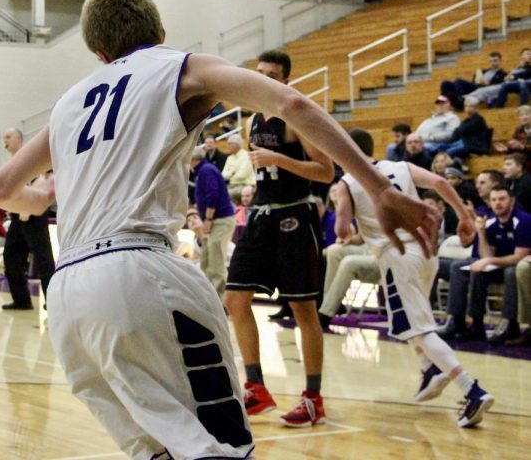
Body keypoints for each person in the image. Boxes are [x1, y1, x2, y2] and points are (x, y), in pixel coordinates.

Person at [0, 0, 437, 457]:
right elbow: (293, 105)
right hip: (139, 271)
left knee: (162, 450)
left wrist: (55, 194)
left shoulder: (68, 104)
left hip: (68, 294)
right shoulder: (180, 66)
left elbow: (1, 191)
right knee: (220, 446)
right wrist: (380, 188)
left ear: (97, 52)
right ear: (160, 30)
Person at [334, 128, 493, 428]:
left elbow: (343, 230)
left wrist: (348, 229)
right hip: (426, 252)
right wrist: (464, 217)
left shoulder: (346, 182)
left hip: (398, 255)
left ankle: (472, 389)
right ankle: (429, 369)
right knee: (408, 322)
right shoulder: (400, 166)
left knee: (418, 328)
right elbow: (440, 182)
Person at [225, 50, 338, 427]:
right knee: (235, 299)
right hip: (262, 215)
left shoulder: (296, 117)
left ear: (285, 80)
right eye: (260, 73)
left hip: (295, 216)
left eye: (272, 74)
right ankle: (256, 387)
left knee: (303, 309)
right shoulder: (253, 120)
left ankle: (313, 398)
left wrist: (280, 160)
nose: (265, 78)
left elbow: (325, 172)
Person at [439, 186, 531, 343]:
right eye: (494, 200)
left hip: (517, 265)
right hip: (498, 265)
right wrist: (481, 233)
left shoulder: (523, 220)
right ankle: (468, 322)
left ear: (512, 201)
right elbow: (486, 255)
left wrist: (489, 261)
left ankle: (509, 323)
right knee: (471, 269)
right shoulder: (491, 222)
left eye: (502, 199)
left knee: (510, 272)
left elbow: (519, 257)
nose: (497, 203)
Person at [1, 127, 56, 311]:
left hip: (34, 215)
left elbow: (41, 183)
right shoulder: (13, 161)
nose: (5, 141)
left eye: (8, 137)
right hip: (18, 217)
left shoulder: (30, 158)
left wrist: (29, 208)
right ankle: (22, 300)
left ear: (19, 139)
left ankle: (53, 300)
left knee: (43, 259)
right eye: (4, 138)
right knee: (11, 257)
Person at [191, 146, 236, 297]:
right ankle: (207, 297)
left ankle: (220, 301)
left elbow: (212, 194)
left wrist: (208, 219)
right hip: (213, 220)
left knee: (216, 261)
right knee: (206, 260)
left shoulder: (206, 170)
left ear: (193, 159)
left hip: (220, 220)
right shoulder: (202, 171)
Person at [440, 51, 505, 110]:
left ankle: (459, 101)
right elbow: (473, 82)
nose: (493, 63)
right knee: (445, 83)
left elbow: (497, 88)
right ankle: (444, 104)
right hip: (475, 87)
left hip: (484, 89)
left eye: (495, 61)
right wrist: (477, 79)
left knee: (458, 81)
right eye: (491, 61)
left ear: (500, 61)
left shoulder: (503, 74)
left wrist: (487, 83)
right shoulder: (483, 71)